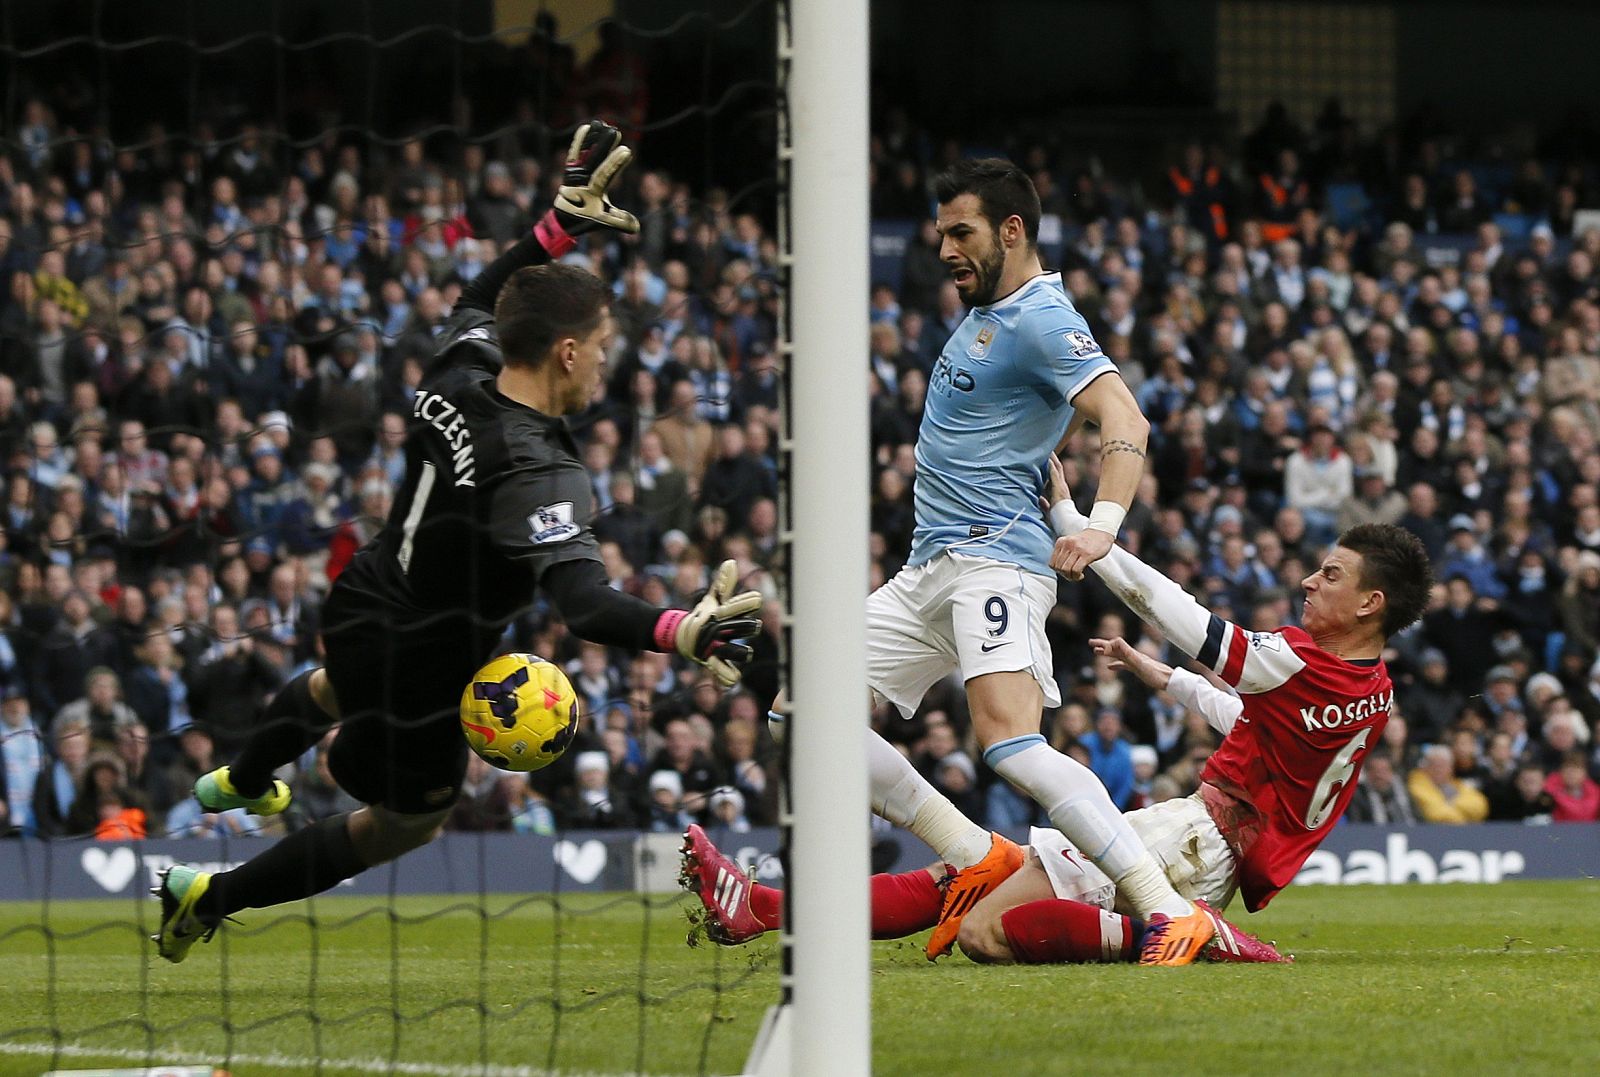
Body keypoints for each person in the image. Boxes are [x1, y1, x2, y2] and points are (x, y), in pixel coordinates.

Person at [153, 123, 762, 963]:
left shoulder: (460, 366)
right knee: (406, 821)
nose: (606, 369)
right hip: (427, 662)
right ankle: (207, 896)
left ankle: (245, 777)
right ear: (569, 350)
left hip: (363, 598)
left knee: (338, 681)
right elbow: (582, 603)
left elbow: (482, 293)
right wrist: (679, 630)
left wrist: (556, 226)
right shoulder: (540, 470)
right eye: (605, 352)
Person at [687, 492, 1434, 968]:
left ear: (1370, 601)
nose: (1310, 580)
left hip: (1194, 838)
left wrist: (1088, 533)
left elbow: (1185, 616)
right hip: (1206, 840)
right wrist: (1161, 677)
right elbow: (1253, 723)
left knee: (985, 929)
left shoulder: (1300, 661)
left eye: (1331, 575)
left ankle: (1184, 929)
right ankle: (761, 911)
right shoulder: (1369, 686)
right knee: (971, 875)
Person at [850, 158, 1218, 965]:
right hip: (927, 570)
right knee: (802, 716)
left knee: (1009, 741)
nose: (945, 247)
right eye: (942, 231)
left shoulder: (1043, 318)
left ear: (1011, 230)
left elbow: (1124, 415)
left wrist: (1103, 524)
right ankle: (974, 853)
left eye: (962, 232)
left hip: (996, 561)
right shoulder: (990, 308)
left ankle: (1165, 907)